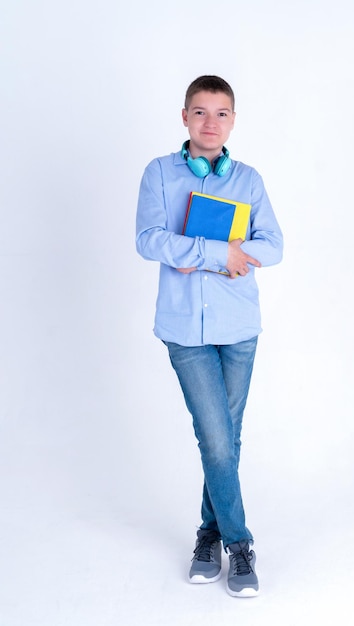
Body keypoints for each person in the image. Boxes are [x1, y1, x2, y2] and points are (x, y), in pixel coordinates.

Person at [136, 75, 283, 597]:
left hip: (240, 328)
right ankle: (239, 544)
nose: (210, 123)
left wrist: (194, 255)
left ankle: (207, 533)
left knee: (226, 440)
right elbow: (150, 240)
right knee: (216, 438)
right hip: (184, 331)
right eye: (200, 112)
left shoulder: (248, 179)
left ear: (233, 121)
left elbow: (274, 245)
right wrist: (222, 253)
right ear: (184, 117)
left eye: (221, 113)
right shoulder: (159, 173)